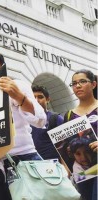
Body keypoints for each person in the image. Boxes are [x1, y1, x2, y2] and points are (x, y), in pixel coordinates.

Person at [0, 48, 46, 200]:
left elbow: (40, 120)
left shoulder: (16, 84)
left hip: (22, 159)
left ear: (1, 64)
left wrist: (20, 97)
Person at [64, 69, 97, 200]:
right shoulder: (68, 114)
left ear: (94, 84)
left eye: (82, 81)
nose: (77, 86)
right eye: (74, 83)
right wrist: (65, 165)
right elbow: (66, 142)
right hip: (83, 174)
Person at [31, 85, 64, 160]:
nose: (36, 100)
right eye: (33, 98)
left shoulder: (56, 118)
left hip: (54, 164)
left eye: (40, 97)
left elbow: (64, 146)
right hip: (32, 165)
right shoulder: (25, 120)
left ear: (48, 99)